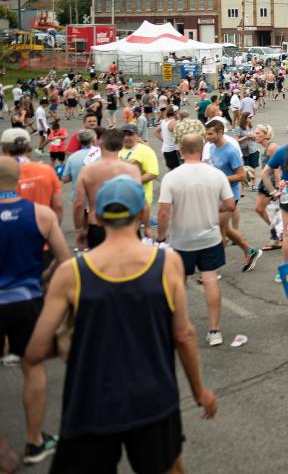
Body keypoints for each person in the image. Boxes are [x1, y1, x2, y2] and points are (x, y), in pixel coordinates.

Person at [26, 175, 217, 473]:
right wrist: (199, 392)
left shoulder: (71, 273)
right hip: (153, 400)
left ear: (98, 217)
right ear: (142, 213)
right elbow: (184, 336)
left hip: (90, 403)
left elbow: (36, 351)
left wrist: (72, 339)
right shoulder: (166, 264)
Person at [0, 158, 70, 465]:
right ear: (18, 178)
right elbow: (65, 260)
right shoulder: (40, 214)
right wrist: (43, 278)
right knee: (33, 367)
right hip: (27, 298)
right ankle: (34, 442)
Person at [157, 134, 236, 347]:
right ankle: (214, 330)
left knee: (178, 284)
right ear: (202, 149)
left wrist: (160, 237)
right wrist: (212, 206)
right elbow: (230, 204)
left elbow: (164, 212)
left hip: (181, 239)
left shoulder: (172, 177)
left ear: (181, 150)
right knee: (210, 279)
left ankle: (178, 326)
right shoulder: (216, 175)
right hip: (209, 236)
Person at [205, 119, 262, 271]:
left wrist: (220, 179)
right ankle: (250, 251)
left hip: (230, 195)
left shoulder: (230, 151)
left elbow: (241, 176)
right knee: (224, 228)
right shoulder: (211, 148)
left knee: (221, 231)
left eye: (210, 134)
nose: (207, 137)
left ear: (220, 133)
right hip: (218, 194)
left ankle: (212, 269)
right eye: (206, 133)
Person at [74, 129, 143, 250]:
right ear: (121, 146)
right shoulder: (131, 170)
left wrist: (79, 229)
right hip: (127, 225)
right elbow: (141, 202)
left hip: (97, 224)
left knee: (101, 266)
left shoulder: (87, 171)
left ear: (100, 145)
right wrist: (146, 226)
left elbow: (79, 204)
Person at [1, 128, 63, 223]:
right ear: (28, 149)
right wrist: (53, 227)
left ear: (4, 150)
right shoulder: (47, 170)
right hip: (41, 225)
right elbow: (58, 205)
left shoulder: (3, 173)